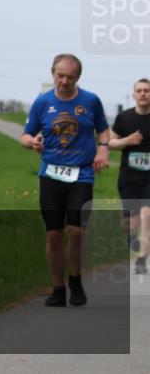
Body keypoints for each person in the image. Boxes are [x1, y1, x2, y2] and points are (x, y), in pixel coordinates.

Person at [20, 53, 110, 307]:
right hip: (51, 174)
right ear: (52, 74)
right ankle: (57, 289)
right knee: (54, 235)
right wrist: (32, 142)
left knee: (76, 231)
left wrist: (103, 149)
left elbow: (103, 129)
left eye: (70, 77)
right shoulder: (42, 103)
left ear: (77, 78)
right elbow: (25, 135)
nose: (64, 81)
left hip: (81, 174)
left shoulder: (91, 101)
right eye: (60, 76)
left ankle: (76, 279)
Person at [108, 78, 150, 274]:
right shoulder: (124, 118)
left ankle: (141, 260)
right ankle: (131, 239)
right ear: (134, 95)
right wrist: (128, 140)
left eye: (147, 91)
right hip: (129, 178)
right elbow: (111, 143)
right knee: (131, 222)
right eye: (139, 91)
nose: (143, 94)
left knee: (147, 215)